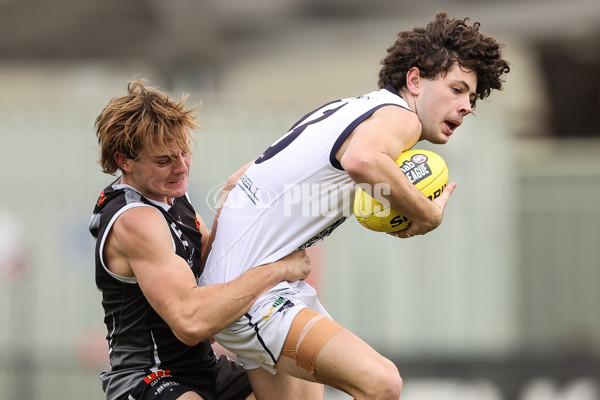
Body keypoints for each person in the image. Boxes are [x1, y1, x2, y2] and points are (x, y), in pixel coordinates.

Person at [199, 12, 511, 400]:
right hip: (254, 297)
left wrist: (211, 279)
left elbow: (234, 183)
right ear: (414, 80)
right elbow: (363, 160)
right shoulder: (401, 118)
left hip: (254, 289)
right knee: (382, 383)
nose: (466, 105)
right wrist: (426, 212)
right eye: (457, 89)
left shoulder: (349, 109)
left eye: (471, 97)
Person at [89, 79, 314, 400]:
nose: (181, 168)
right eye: (164, 160)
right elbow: (191, 322)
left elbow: (212, 266)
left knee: (297, 376)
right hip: (147, 376)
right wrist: (280, 268)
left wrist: (229, 203)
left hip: (203, 366)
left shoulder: (169, 194)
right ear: (124, 161)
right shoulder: (134, 219)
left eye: (184, 152)